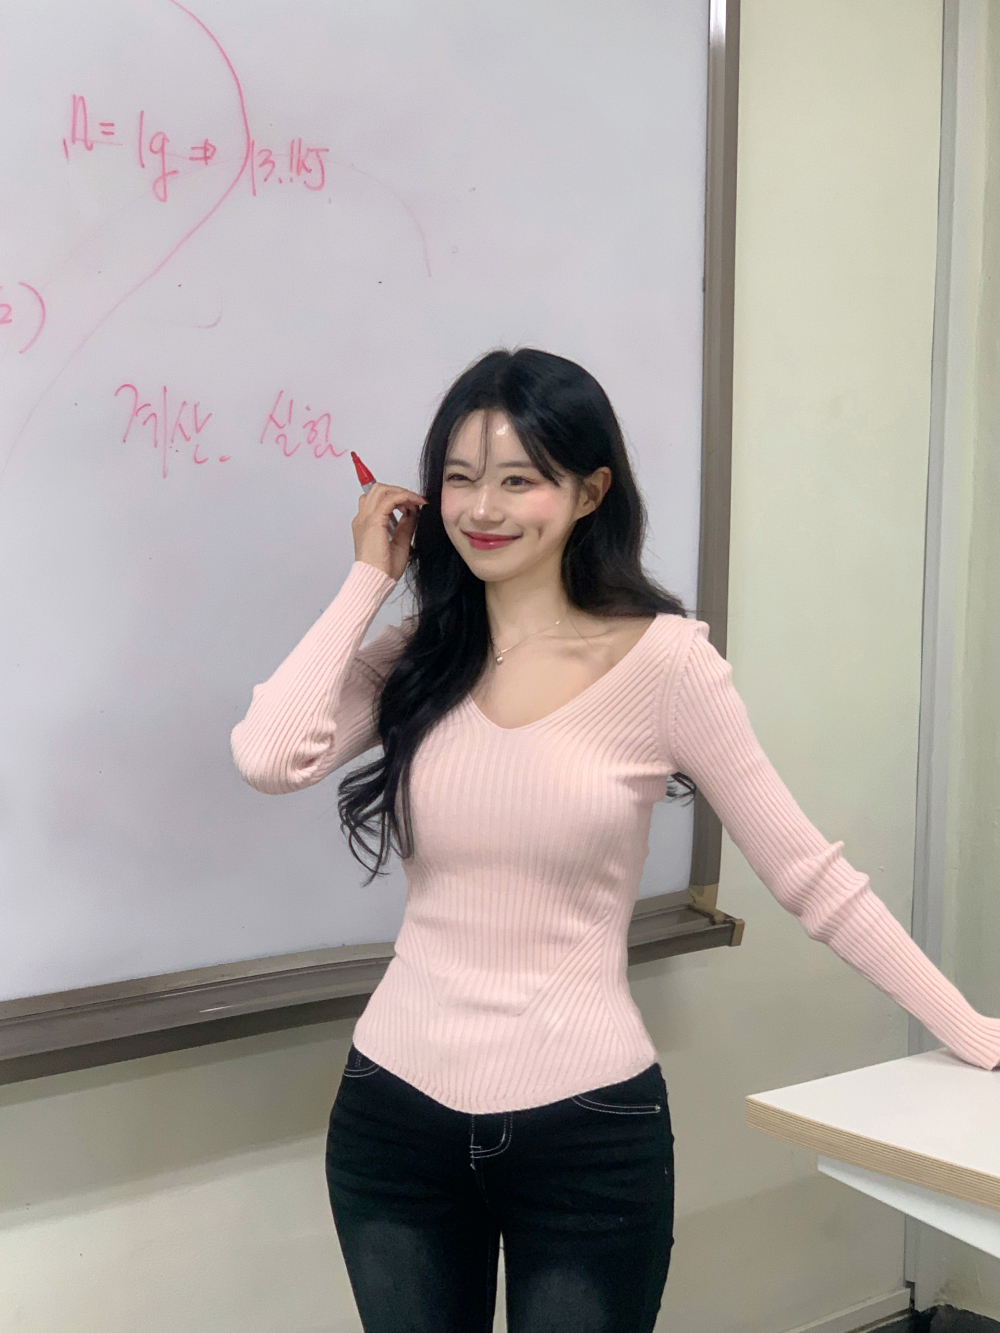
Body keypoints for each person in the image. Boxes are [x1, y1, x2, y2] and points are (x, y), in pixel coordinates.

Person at [230, 348, 1000, 1333]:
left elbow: (810, 875)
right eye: (459, 478)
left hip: (586, 1130)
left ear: (590, 490)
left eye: (520, 480)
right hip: (394, 1115)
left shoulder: (666, 664)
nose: (482, 508)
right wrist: (365, 581)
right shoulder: (421, 656)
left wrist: (971, 1029)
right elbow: (268, 756)